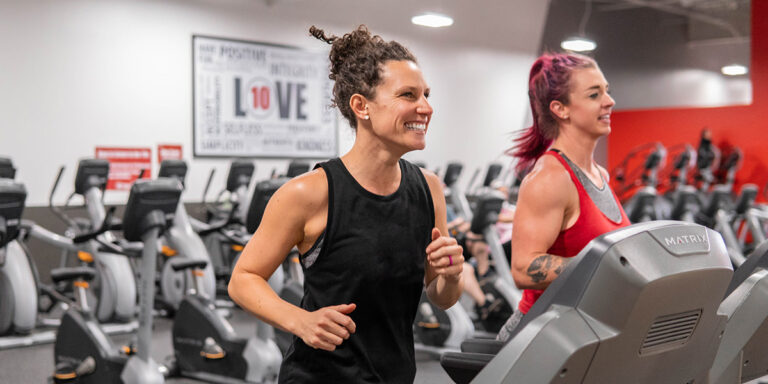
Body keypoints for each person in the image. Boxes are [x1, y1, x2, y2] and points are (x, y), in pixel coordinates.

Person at [228, 25, 464, 383]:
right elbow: (243, 279)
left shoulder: (428, 189)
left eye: (426, 95)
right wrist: (300, 321)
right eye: (408, 94)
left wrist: (451, 275)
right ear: (361, 106)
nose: (426, 108)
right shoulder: (308, 193)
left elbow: (441, 297)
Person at [497, 52, 631, 341]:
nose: (609, 101)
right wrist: (610, 269)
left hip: (581, 331)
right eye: (594, 94)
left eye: (606, 91)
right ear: (560, 109)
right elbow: (523, 268)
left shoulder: (599, 174)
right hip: (537, 337)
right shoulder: (551, 178)